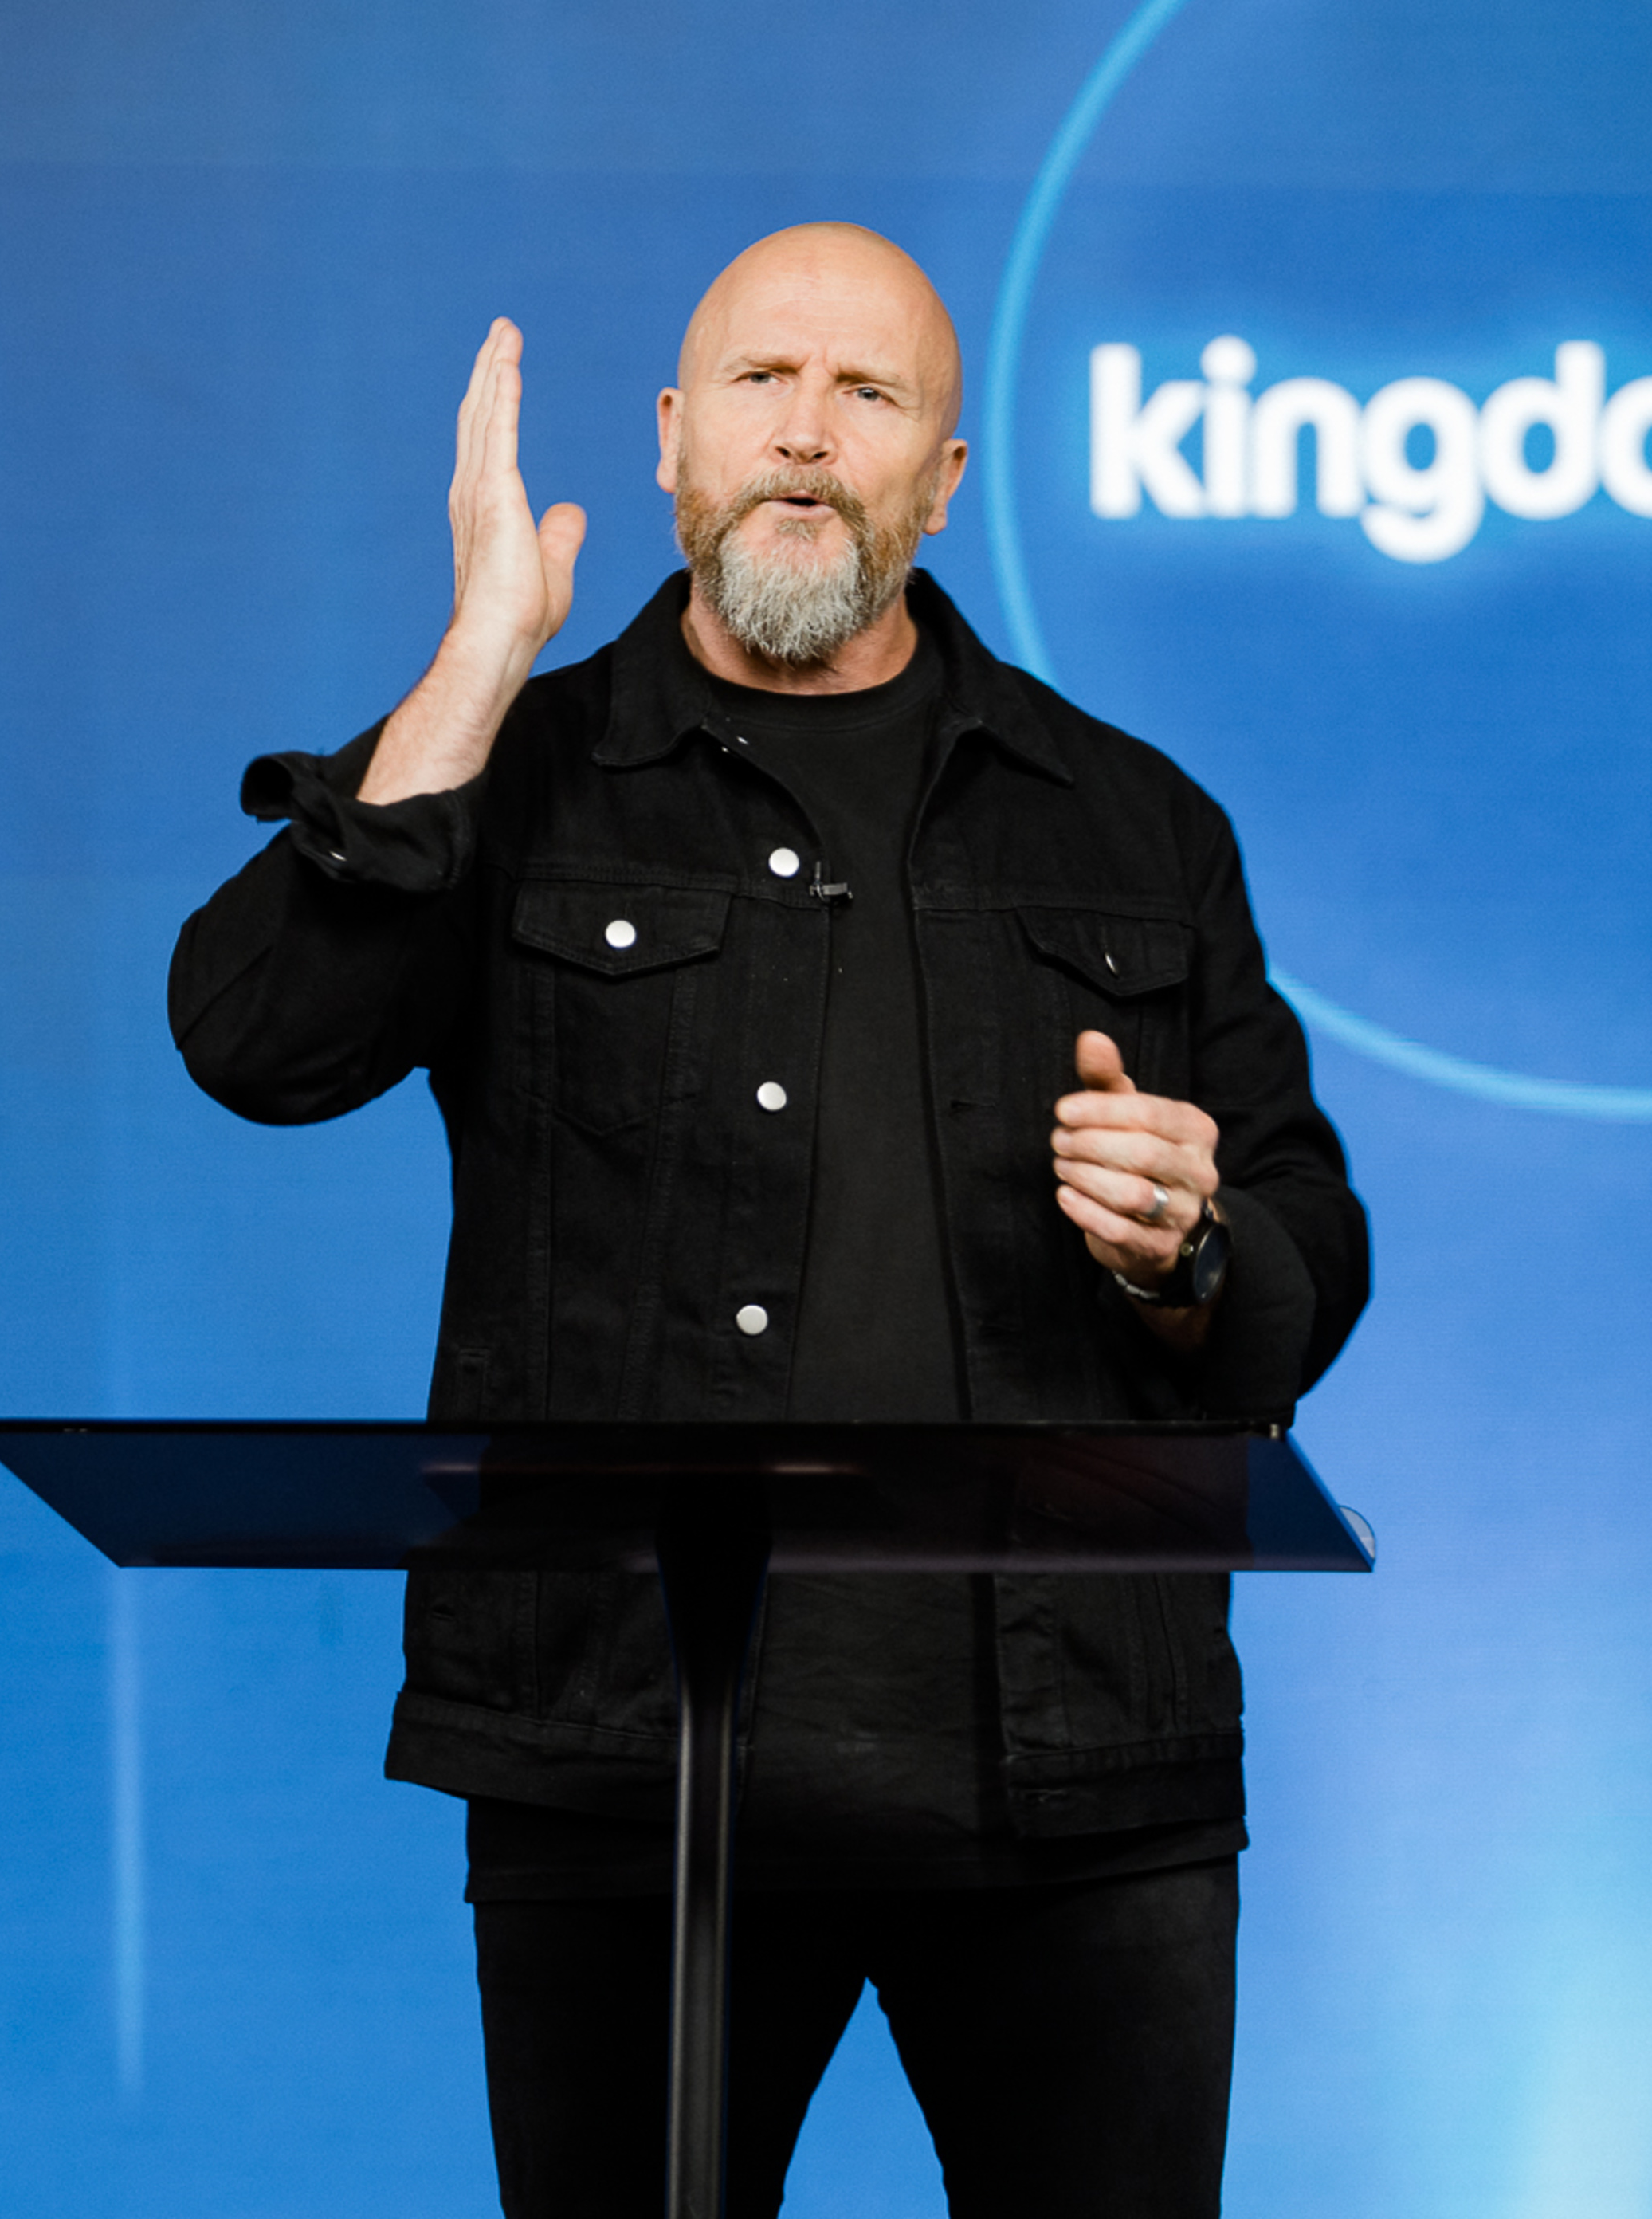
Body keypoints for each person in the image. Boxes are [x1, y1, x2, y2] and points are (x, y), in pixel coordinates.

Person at [168, 223, 1369, 2219]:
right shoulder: (510, 771)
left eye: (868, 395)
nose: (807, 435)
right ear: (671, 438)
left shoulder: (1132, 819)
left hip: (1082, 1779)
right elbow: (254, 1043)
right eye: (761, 383)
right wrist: (474, 667)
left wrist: (1195, 1247)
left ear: (945, 477)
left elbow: (1308, 1258)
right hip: (625, 1767)